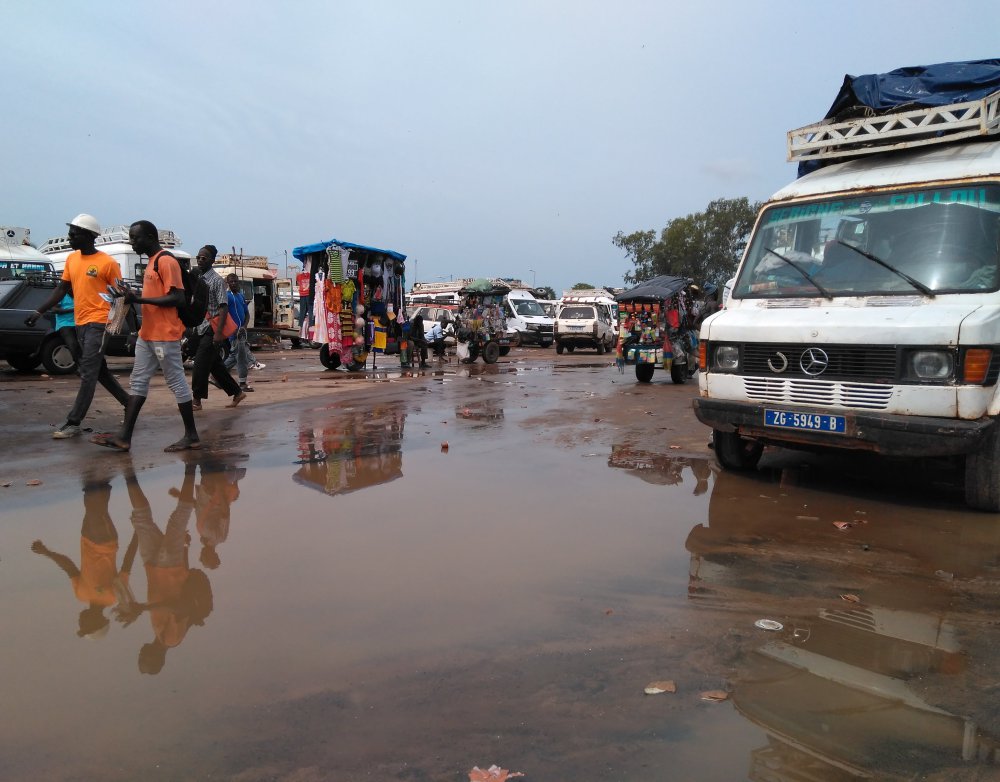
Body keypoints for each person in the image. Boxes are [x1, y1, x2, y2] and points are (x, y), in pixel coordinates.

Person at [91, 220, 201, 453]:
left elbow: (177, 298)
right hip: (148, 334)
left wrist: (139, 300)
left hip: (165, 335)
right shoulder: (151, 263)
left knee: (177, 383)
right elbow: (158, 295)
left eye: (135, 238)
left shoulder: (166, 261)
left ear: (150, 237)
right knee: (138, 382)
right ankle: (124, 437)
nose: (132, 242)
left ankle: (191, 436)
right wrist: (134, 298)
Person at [25, 214, 129, 438]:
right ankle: (129, 403)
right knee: (98, 371)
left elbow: (121, 297)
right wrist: (39, 310)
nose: (70, 237)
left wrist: (116, 325)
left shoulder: (107, 263)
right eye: (70, 232)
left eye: (74, 233)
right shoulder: (72, 260)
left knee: (88, 372)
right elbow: (61, 290)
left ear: (89, 236)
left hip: (100, 323)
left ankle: (73, 422)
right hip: (80, 322)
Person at [115, 461, 213, 675]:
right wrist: (143, 609)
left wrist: (140, 608)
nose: (141, 654)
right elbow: (181, 607)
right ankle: (191, 467)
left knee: (142, 519)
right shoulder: (172, 639)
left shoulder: (159, 635)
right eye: (144, 659)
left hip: (152, 566)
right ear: (156, 659)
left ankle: (128, 472)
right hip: (171, 567)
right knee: (179, 516)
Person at [30, 464, 138, 639]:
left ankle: (102, 469)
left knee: (92, 502)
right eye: (85, 626)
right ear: (98, 622)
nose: (80, 623)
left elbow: (69, 567)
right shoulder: (112, 598)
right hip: (106, 542)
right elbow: (127, 565)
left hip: (86, 539)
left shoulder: (80, 594)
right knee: (95, 505)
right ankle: (102, 470)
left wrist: (47, 552)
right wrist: (137, 533)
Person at [191, 246, 245, 410]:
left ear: (212, 261)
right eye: (198, 257)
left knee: (200, 364)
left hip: (213, 328)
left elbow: (223, 308)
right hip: (201, 326)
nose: (200, 260)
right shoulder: (198, 279)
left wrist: (219, 333)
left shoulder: (217, 281)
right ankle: (237, 392)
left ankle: (196, 400)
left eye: (204, 258)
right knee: (215, 366)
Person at [222, 273, 254, 392]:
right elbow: (224, 314)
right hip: (233, 333)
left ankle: (216, 376)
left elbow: (247, 314)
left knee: (234, 357)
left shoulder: (240, 296)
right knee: (241, 358)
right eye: (231, 282)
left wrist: (245, 326)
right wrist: (232, 328)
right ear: (228, 283)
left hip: (241, 332)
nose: (234, 283)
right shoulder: (227, 296)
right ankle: (242, 383)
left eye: (236, 281)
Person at [52, 291, 81, 363]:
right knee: (72, 344)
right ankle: (79, 366)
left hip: (80, 322)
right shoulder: (61, 294)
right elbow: (54, 309)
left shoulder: (80, 293)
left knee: (85, 345)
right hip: (65, 323)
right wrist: (73, 310)